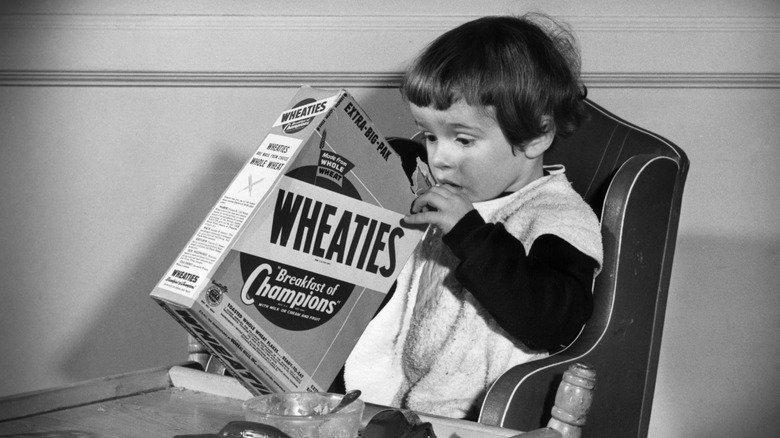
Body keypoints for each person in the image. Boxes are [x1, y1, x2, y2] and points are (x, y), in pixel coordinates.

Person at [343, 13, 604, 419]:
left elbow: (554, 321)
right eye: (430, 135)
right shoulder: (443, 192)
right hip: (399, 406)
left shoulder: (559, 216)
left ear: (536, 135)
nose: (440, 158)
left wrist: (470, 233)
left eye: (462, 139)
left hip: (486, 418)